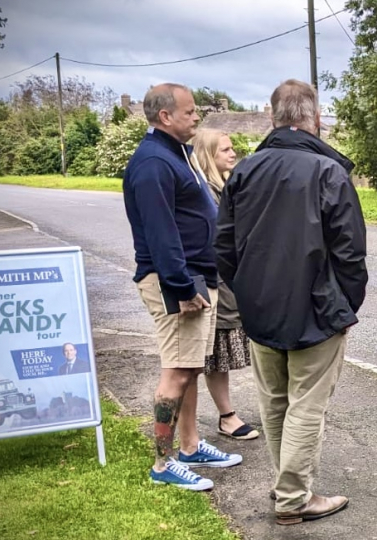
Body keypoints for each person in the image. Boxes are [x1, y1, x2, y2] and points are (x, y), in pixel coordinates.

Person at [215, 79, 367, 525]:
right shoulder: (328, 172)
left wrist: (245, 290)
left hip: (260, 308)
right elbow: (351, 253)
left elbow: (223, 247)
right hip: (316, 310)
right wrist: (344, 308)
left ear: (273, 117)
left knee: (275, 402)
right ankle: (294, 498)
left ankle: (288, 487)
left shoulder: (244, 170)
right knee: (305, 405)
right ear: (314, 119)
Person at [123, 83, 242, 492]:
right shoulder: (153, 162)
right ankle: (163, 464)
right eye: (190, 112)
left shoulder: (177, 153)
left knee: (191, 366)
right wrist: (179, 285)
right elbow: (161, 233)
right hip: (178, 282)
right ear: (165, 116)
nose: (197, 118)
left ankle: (189, 446)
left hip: (196, 278)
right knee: (177, 371)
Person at [188, 128, 258, 441]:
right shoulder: (204, 192)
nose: (232, 154)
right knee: (215, 350)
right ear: (208, 156)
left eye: (232, 149)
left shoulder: (226, 186)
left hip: (233, 279)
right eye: (225, 150)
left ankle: (228, 413)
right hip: (213, 280)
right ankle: (226, 416)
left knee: (223, 348)